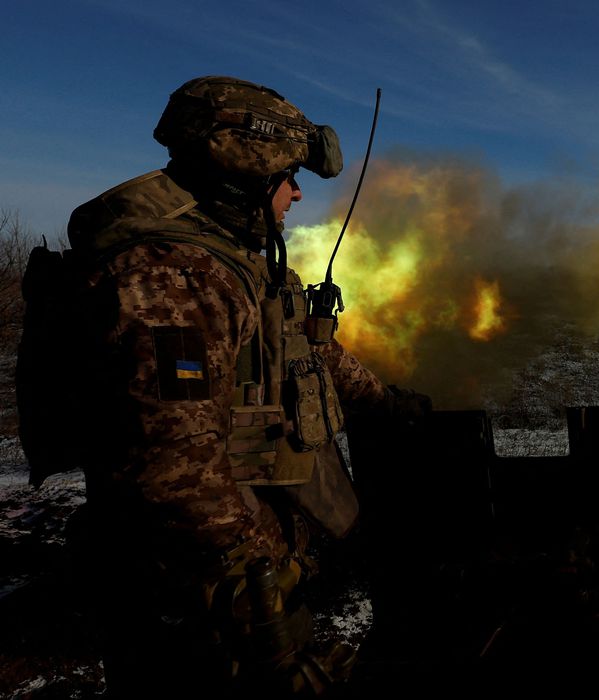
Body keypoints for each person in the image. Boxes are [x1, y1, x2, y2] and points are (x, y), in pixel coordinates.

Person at [59, 75, 430, 697]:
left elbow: (310, 353)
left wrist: (388, 403)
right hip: (199, 593)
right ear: (248, 177)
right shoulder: (174, 275)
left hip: (242, 572)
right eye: (290, 178)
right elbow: (173, 465)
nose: (297, 194)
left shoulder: (236, 264)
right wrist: (253, 589)